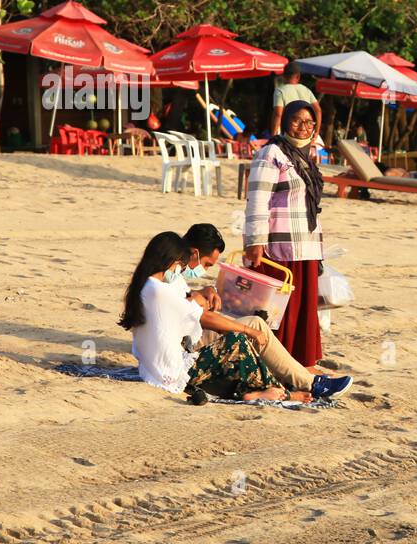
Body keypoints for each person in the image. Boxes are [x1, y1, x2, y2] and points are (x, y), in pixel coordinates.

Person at [120, 232, 346, 402]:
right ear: (168, 259)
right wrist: (246, 331)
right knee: (237, 340)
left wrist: (201, 296)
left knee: (253, 325)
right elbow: (202, 317)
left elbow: (189, 307)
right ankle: (282, 392)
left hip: (160, 365)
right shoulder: (159, 290)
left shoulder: (150, 285)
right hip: (172, 371)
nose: (180, 269)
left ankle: (299, 382)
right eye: (179, 263)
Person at [243, 100, 338, 372]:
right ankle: (276, 363)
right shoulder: (271, 154)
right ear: (285, 122)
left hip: (306, 245)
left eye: (308, 122)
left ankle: (301, 363)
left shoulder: (307, 156)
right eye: (297, 120)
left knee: (303, 310)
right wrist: (254, 242)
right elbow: (257, 200)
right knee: (279, 311)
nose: (303, 127)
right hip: (278, 246)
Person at [272, 62, 323, 137]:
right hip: (306, 132)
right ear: (298, 76)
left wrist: (274, 135)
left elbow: (278, 114)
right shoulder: (306, 90)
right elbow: (318, 110)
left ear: (284, 76)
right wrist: (316, 132)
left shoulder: (280, 91)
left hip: (290, 131)